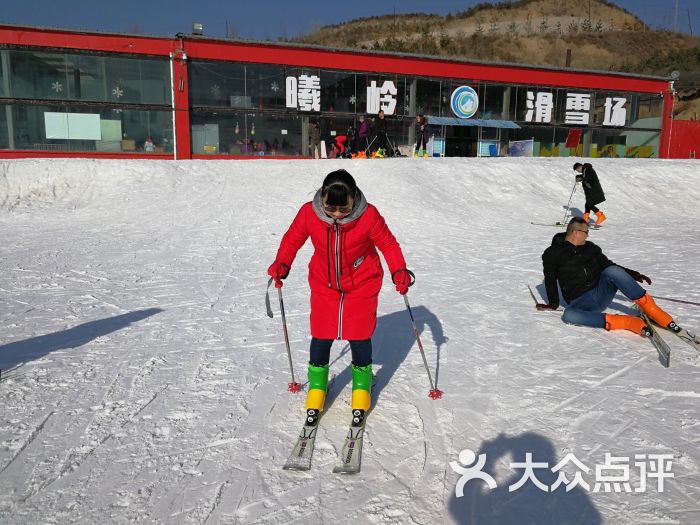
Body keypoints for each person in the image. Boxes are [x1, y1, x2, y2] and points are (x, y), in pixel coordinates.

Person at [267, 169, 413, 426]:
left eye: (343, 209)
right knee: (322, 333)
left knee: (358, 333)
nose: (336, 214)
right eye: (330, 208)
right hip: (325, 282)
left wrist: (399, 270)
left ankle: (361, 385)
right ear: (322, 197)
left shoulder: (368, 216)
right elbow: (292, 239)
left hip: (362, 282)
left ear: (354, 198)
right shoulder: (308, 213)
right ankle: (317, 386)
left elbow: (388, 244)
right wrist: (282, 263)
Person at [536, 217, 679, 337]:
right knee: (569, 316)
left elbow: (608, 265)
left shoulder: (591, 248)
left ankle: (653, 310)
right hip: (580, 302)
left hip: (600, 293)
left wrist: (633, 274)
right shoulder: (552, 253)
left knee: (611, 271)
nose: (588, 235)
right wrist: (552, 304)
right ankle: (627, 322)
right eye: (586, 232)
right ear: (576, 232)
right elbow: (550, 279)